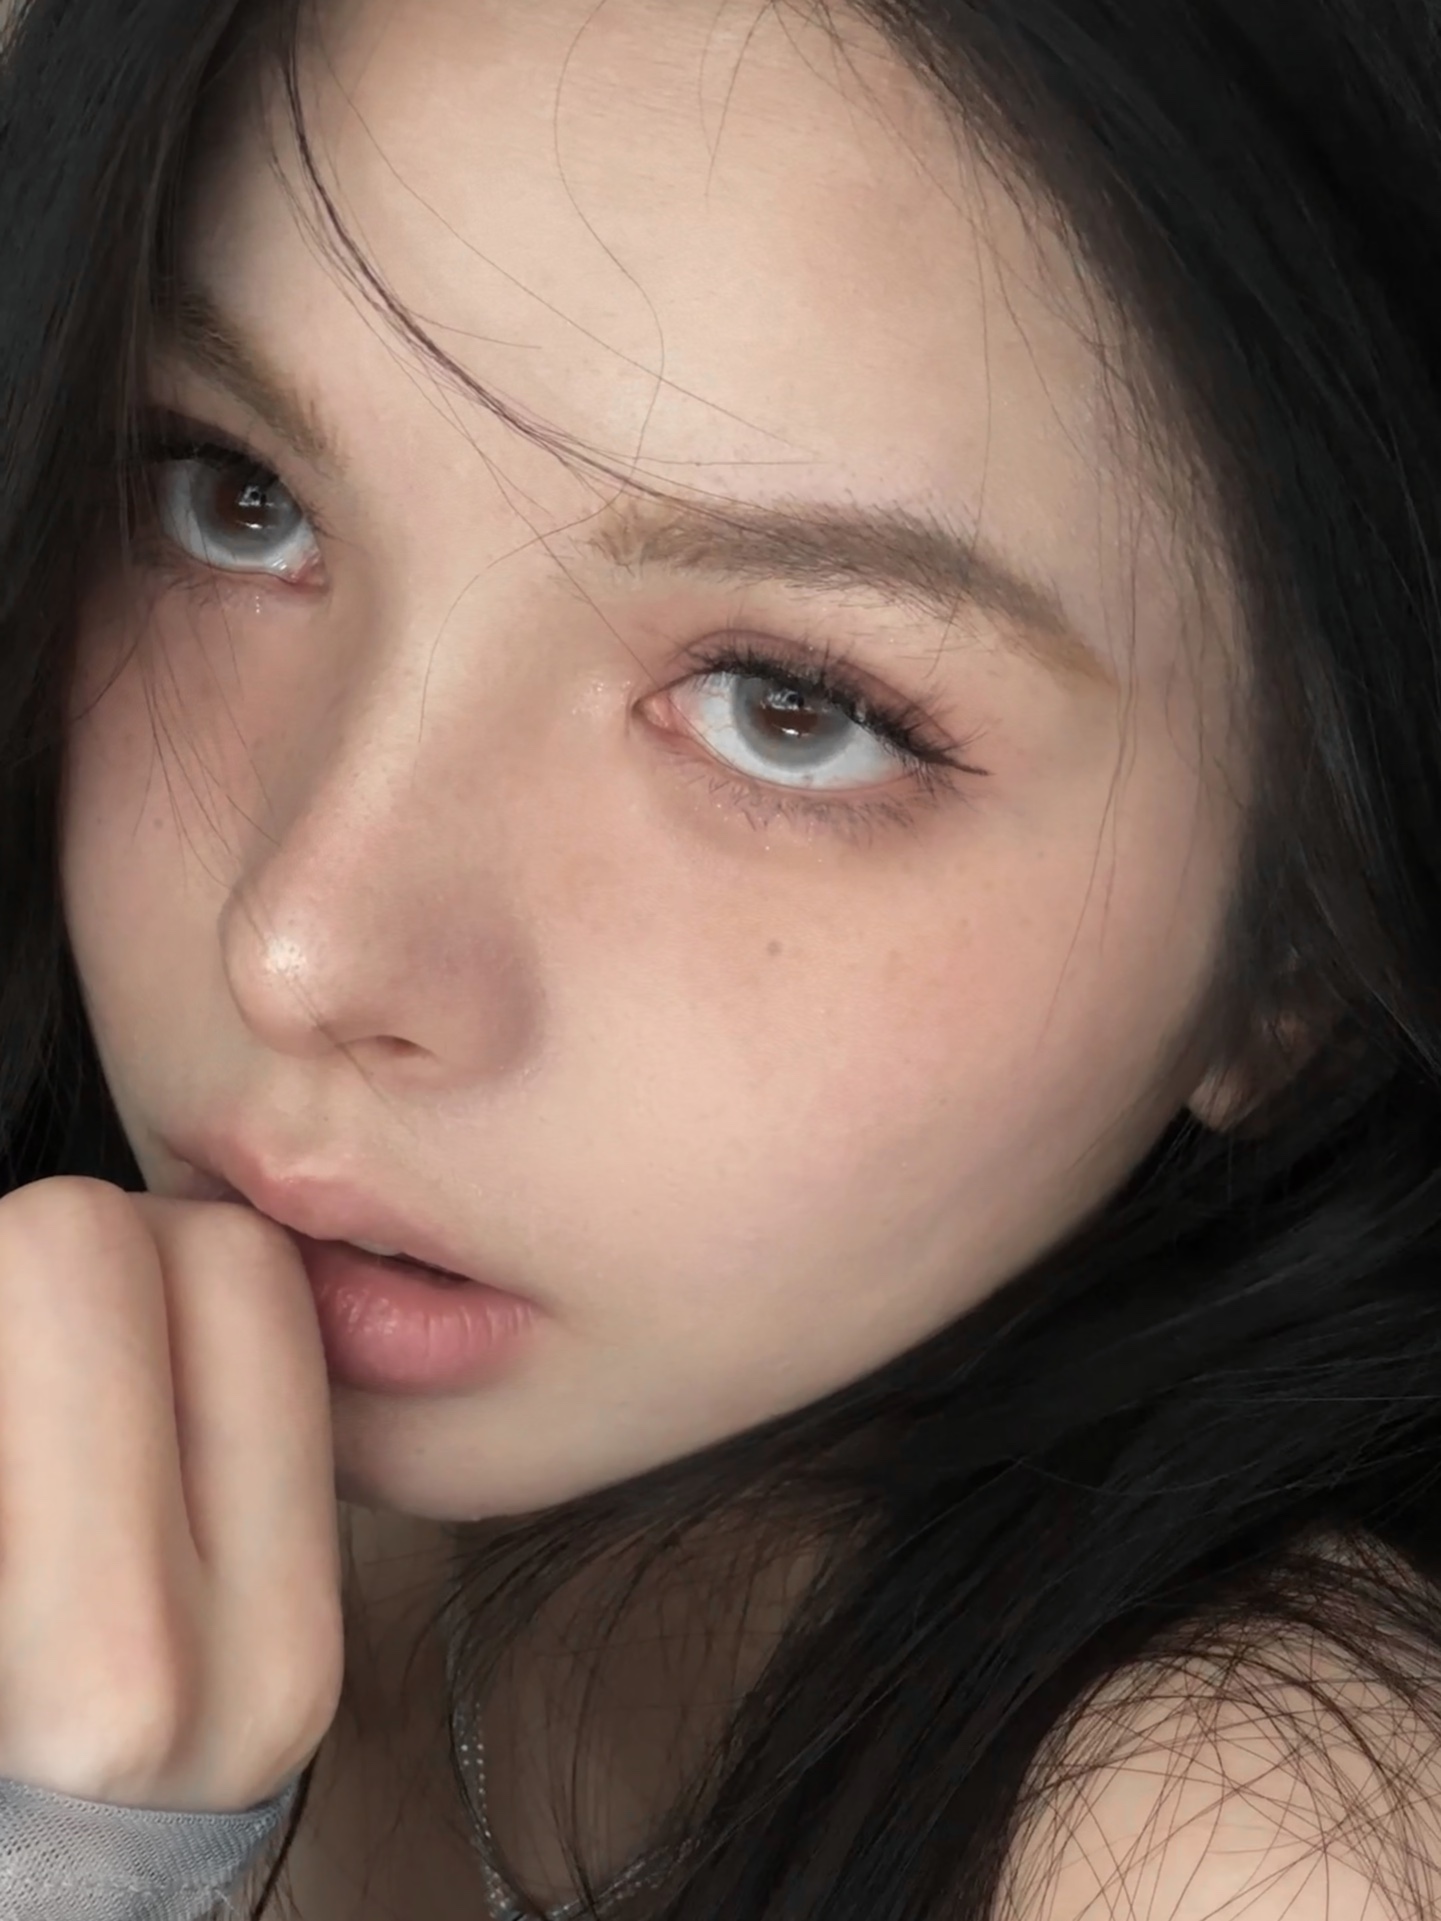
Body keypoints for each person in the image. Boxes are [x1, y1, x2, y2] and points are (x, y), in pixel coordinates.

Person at [4, 0, 1441, 1914]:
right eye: (232, 495)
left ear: (1298, 946)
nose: (299, 943)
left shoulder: (1261, 1837)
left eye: (790, 707)